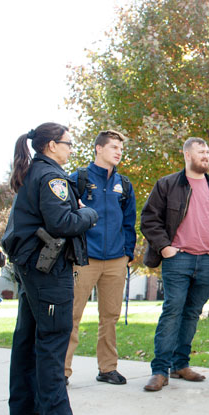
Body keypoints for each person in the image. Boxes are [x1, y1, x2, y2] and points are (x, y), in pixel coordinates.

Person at [2, 122, 98, 415]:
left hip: (33, 267)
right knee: (54, 338)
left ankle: (24, 407)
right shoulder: (52, 176)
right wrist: (89, 214)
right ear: (52, 145)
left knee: (28, 335)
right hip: (49, 268)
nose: (71, 148)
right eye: (68, 143)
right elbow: (61, 223)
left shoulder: (37, 173)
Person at [140, 137, 209, 392]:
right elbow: (149, 219)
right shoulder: (167, 184)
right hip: (177, 259)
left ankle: (180, 364)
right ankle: (160, 370)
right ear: (187, 155)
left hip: (206, 261)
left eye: (207, 151)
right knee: (173, 311)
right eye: (200, 151)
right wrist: (166, 247)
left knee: (192, 313)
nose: (206, 155)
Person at [64, 130, 136, 386]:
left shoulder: (124, 185)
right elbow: (66, 216)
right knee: (71, 315)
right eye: (113, 147)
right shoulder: (78, 179)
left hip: (116, 259)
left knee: (110, 317)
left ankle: (107, 368)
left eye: (120, 148)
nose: (118, 152)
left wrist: (128, 253)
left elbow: (129, 223)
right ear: (98, 148)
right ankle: (62, 371)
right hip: (84, 258)